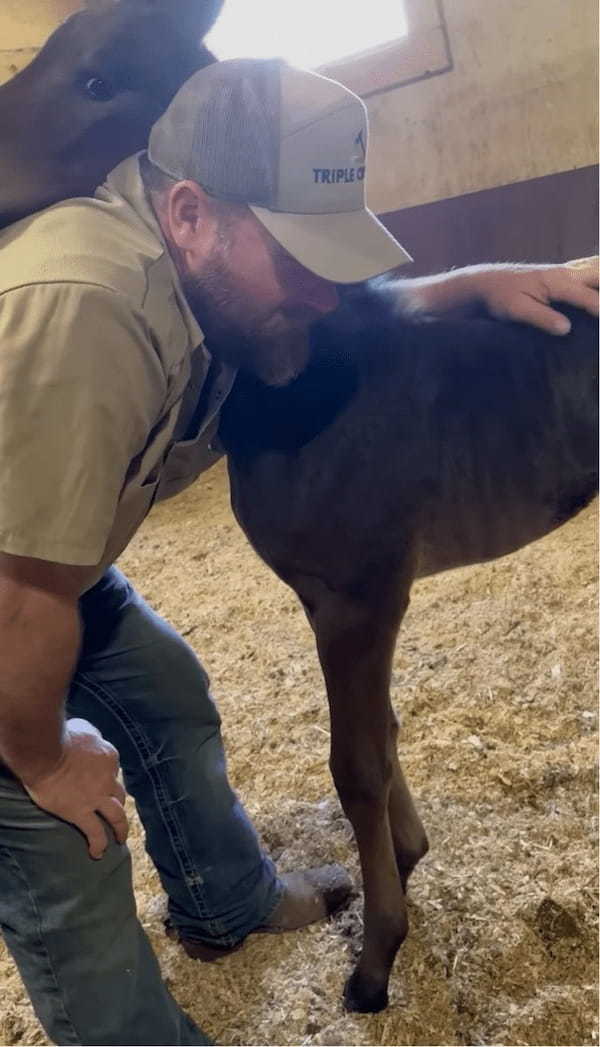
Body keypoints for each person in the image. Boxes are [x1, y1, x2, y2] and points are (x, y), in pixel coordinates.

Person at [0, 57, 596, 1047]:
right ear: (190, 214)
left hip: (54, 557)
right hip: (12, 584)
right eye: (297, 259)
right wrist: (37, 751)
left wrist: (472, 285)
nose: (324, 297)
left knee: (166, 693)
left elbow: (349, 309)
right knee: (68, 859)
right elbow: (20, 594)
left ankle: (226, 901)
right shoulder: (82, 308)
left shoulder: (206, 270)